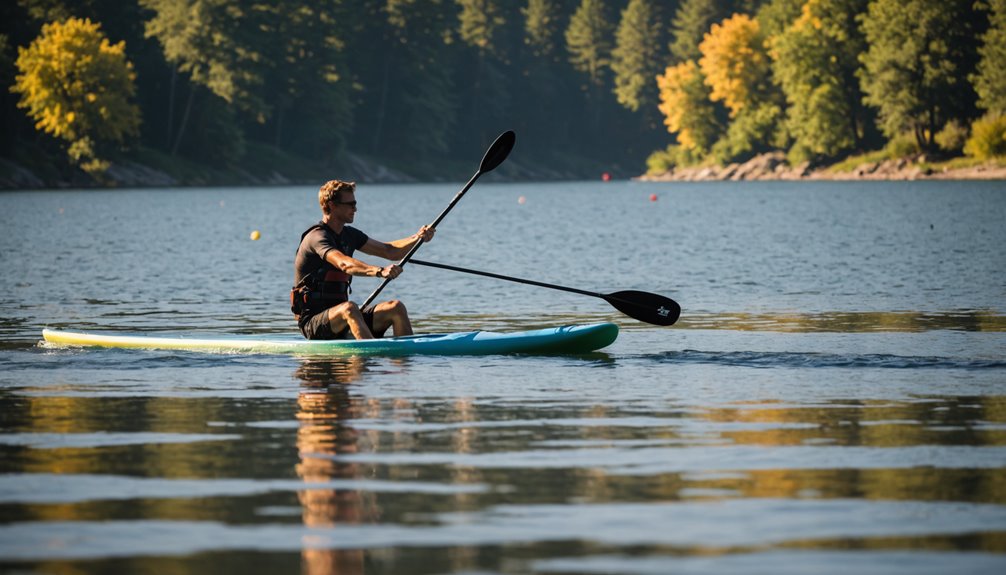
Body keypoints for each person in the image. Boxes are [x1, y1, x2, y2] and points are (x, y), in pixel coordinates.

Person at [292, 179, 434, 340]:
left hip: (343, 316)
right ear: (332, 205)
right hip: (313, 322)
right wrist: (379, 271)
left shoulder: (350, 235)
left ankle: (407, 353)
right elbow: (344, 263)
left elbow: (390, 251)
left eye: (355, 203)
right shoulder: (316, 237)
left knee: (396, 308)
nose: (355, 209)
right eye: (350, 204)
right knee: (350, 309)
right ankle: (373, 353)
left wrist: (418, 237)